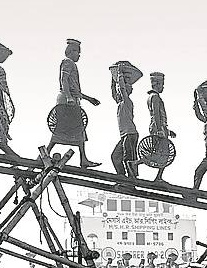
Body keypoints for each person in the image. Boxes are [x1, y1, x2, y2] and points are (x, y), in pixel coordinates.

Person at [47, 39, 102, 168]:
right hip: (67, 101)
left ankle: (83, 159)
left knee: (78, 130)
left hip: (71, 99)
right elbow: (64, 80)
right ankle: (82, 159)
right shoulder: (68, 63)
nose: (79, 55)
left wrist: (89, 99)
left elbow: (75, 89)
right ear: (71, 52)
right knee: (66, 129)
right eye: (77, 52)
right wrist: (69, 97)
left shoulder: (71, 64)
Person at [109, 61, 141, 178]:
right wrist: (113, 78)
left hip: (130, 134)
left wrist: (120, 74)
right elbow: (114, 91)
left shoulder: (127, 101)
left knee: (129, 159)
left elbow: (121, 88)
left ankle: (131, 181)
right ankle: (122, 178)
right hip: (125, 135)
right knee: (115, 157)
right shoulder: (120, 102)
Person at [146, 72, 175, 183]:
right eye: (162, 84)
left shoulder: (152, 96)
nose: (163, 87)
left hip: (160, 127)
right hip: (158, 127)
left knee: (159, 152)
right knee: (163, 153)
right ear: (157, 84)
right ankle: (158, 177)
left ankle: (159, 176)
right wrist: (159, 130)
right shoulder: (155, 97)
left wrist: (168, 130)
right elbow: (156, 114)